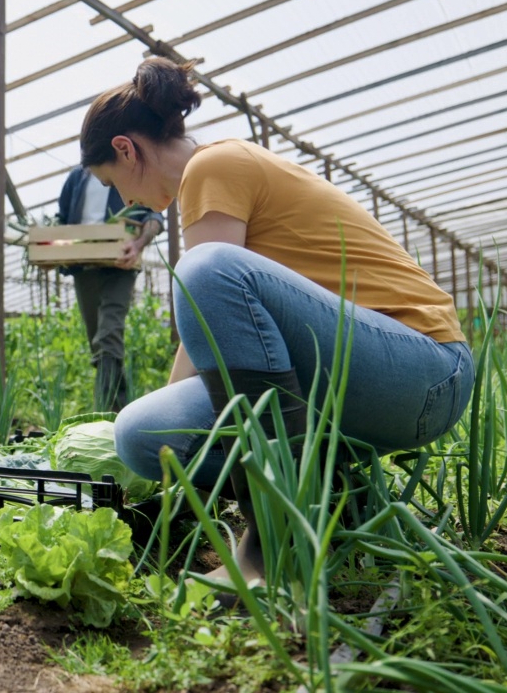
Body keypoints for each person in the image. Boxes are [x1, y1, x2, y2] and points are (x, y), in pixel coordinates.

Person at [83, 57, 475, 587]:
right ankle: (336, 496)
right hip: (360, 379)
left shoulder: (213, 166)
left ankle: (276, 535)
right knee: (143, 434)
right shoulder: (208, 180)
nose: (125, 202)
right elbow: (211, 332)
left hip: (422, 370)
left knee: (203, 269)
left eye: (115, 184)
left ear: (126, 149)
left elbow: (207, 289)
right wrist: (162, 418)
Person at [55, 166, 163, 412]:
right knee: (99, 344)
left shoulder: (127, 173)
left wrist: (137, 245)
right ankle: (119, 409)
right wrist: (49, 251)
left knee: (109, 334)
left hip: (120, 267)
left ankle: (103, 410)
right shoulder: (76, 178)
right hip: (83, 266)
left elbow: (154, 216)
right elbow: (61, 218)